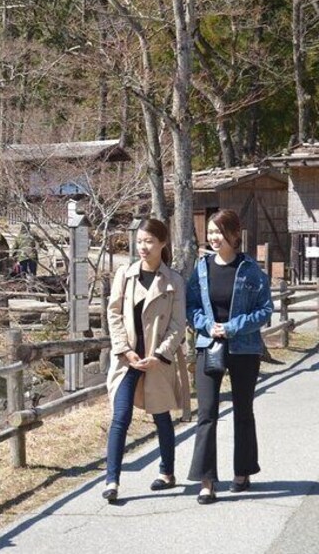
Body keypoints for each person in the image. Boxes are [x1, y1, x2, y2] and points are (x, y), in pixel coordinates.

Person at [187, 209, 273, 504]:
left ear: (235, 235)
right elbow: (191, 306)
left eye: (219, 232)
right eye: (210, 232)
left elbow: (265, 310)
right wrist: (207, 325)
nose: (213, 237)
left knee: (243, 410)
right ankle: (207, 480)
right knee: (206, 413)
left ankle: (243, 471)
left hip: (244, 347)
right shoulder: (201, 268)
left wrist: (232, 327)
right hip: (208, 344)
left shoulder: (250, 270)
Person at [103, 218, 189, 503]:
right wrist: (124, 350)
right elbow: (113, 313)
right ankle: (112, 480)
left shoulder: (174, 281)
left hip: (157, 358)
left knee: (161, 415)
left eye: (149, 241)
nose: (143, 246)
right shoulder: (125, 275)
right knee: (120, 416)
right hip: (128, 358)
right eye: (140, 241)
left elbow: (178, 324)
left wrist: (160, 355)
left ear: (163, 243)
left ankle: (167, 472)